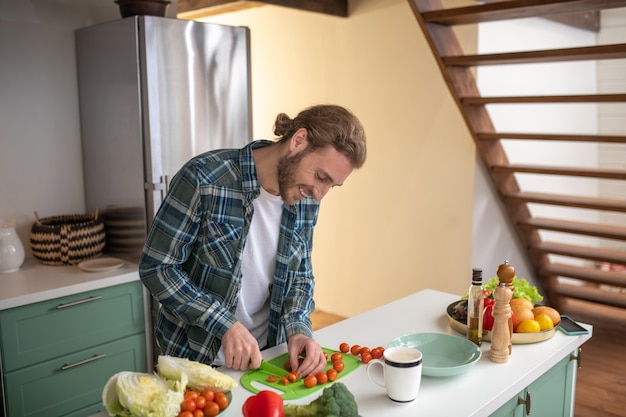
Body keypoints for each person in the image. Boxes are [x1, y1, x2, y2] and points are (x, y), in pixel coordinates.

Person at [139, 104, 367, 377]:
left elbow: (300, 276)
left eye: (332, 185)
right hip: (194, 360)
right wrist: (225, 324)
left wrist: (298, 329)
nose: (320, 195)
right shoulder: (205, 178)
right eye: (321, 177)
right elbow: (158, 267)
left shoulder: (305, 200)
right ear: (298, 141)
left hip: (268, 357)